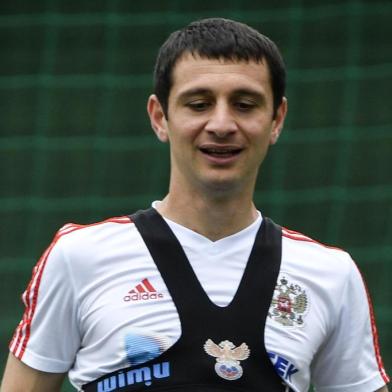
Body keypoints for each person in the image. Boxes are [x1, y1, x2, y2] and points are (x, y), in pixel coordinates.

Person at [1, 17, 389, 392]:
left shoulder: (330, 274)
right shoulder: (78, 257)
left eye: (245, 104)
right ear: (159, 117)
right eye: (199, 104)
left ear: (277, 119)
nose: (221, 124)